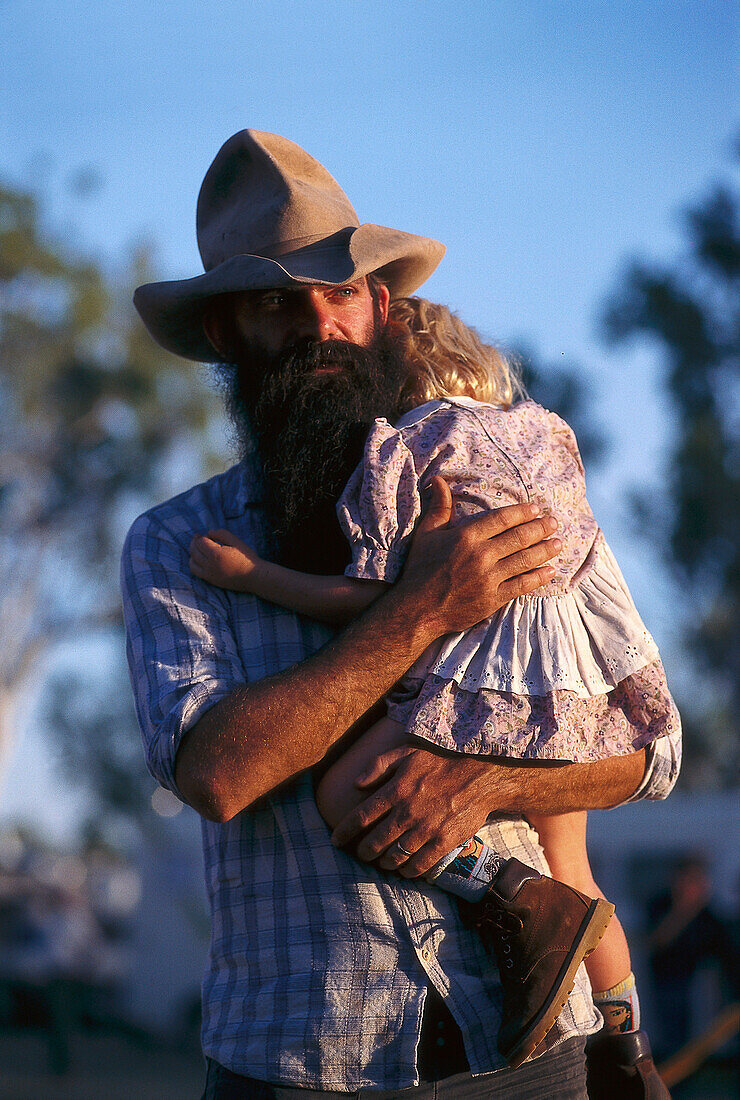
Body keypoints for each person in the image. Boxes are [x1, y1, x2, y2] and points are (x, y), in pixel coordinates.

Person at [122, 129, 682, 1098]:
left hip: (532, 1063)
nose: (314, 325)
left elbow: (649, 746)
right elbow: (216, 770)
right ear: (225, 335)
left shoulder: (504, 495)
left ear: (377, 306)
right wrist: (421, 607)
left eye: (335, 292)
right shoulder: (178, 546)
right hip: (297, 1063)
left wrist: (482, 781)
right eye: (271, 302)